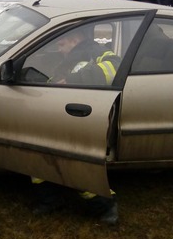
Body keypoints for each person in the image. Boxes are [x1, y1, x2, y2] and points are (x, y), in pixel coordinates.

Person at [31, 27, 120, 224]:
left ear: (74, 39)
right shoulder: (68, 59)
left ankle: (105, 204)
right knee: (37, 157)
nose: (59, 49)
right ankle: (50, 200)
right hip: (61, 115)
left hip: (82, 116)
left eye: (61, 44)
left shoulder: (95, 51)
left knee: (75, 166)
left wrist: (73, 80)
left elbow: (115, 67)